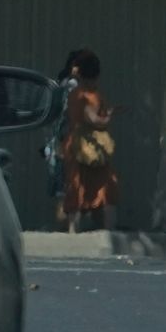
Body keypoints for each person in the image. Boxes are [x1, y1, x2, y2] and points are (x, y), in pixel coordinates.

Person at [55, 47, 119, 232]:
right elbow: (93, 118)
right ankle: (106, 232)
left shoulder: (73, 91)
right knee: (106, 187)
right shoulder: (84, 94)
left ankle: (73, 231)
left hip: (75, 145)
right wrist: (109, 116)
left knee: (76, 186)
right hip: (90, 145)